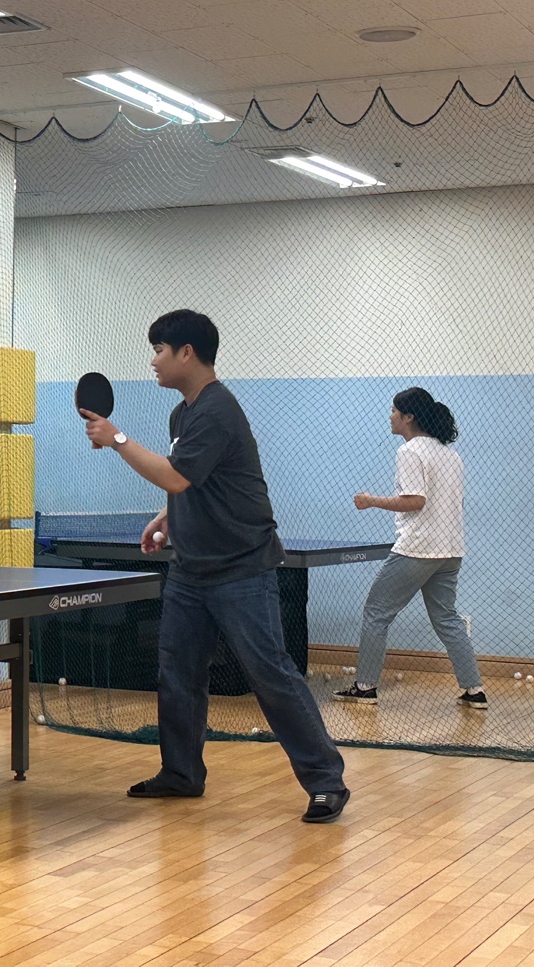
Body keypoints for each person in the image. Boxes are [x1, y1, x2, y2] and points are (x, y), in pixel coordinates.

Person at [81, 309, 350, 823]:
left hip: (242, 568)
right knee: (177, 673)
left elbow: (176, 476)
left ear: (187, 353)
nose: (153, 361)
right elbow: (193, 482)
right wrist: (167, 518)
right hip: (191, 571)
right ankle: (181, 773)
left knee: (270, 674)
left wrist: (116, 439)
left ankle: (326, 781)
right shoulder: (182, 414)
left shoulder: (218, 410)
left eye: (159, 350)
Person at [334, 388, 483, 709]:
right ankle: (475, 691)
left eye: (394, 411)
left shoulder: (410, 451)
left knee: (376, 613)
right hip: (450, 550)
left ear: (408, 417)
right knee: (447, 618)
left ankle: (365, 687)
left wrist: (371, 501)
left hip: (417, 549)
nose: (390, 416)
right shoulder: (450, 454)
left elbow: (415, 500)